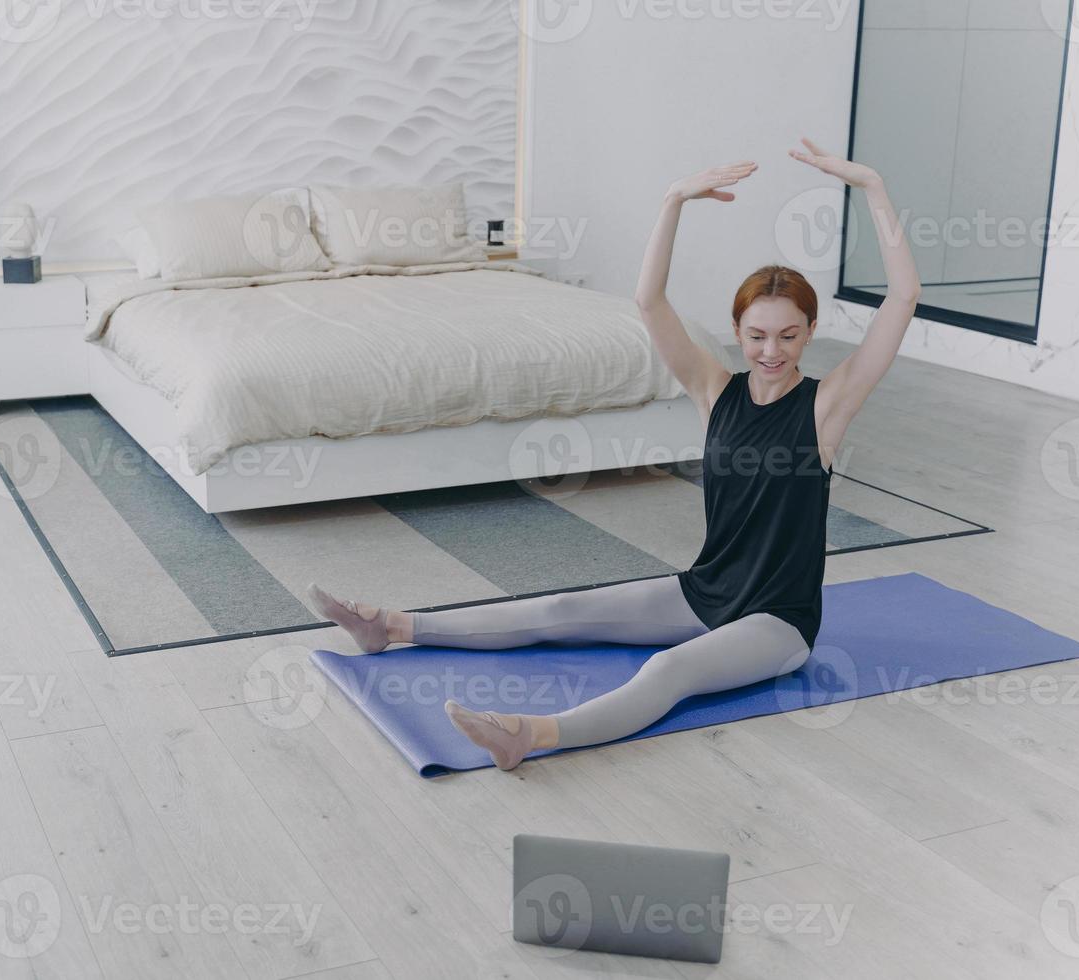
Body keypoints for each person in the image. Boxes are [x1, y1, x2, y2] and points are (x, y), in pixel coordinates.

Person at [307, 138, 920, 771]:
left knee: (670, 668)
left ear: (810, 333)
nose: (771, 350)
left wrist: (873, 187)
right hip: (704, 591)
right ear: (737, 331)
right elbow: (649, 302)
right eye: (757, 334)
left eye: (789, 336)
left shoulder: (827, 407)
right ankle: (391, 627)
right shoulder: (716, 391)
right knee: (564, 610)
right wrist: (674, 199)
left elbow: (901, 299)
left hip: (777, 623)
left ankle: (533, 734)